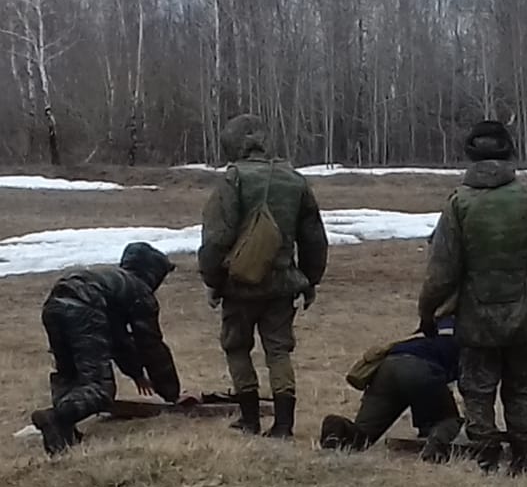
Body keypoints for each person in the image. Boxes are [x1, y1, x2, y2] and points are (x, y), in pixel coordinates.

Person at [418, 120, 527, 476]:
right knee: (522, 386)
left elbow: (441, 272)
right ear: (509, 152)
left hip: (475, 319)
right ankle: (523, 454)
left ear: (470, 155)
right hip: (523, 315)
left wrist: (427, 312)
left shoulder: (458, 204)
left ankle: (486, 453)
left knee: (477, 388)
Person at [198, 113, 329, 439]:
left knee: (237, 348)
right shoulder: (295, 180)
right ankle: (284, 424)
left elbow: (216, 238)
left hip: (239, 285)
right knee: (279, 351)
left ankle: (250, 420)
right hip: (282, 284)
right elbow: (313, 237)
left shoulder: (233, 180)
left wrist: (213, 281)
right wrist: (310, 280)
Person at [30, 242, 181, 455]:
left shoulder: (114, 279)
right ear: (152, 272)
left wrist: (136, 373)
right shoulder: (139, 291)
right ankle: (58, 416)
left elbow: (119, 340)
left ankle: (63, 432)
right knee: (100, 389)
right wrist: (171, 393)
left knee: (70, 373)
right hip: (84, 308)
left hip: (53, 306)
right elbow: (151, 345)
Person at [320, 318, 463, 460]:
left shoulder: (427, 340)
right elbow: (470, 388)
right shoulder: (468, 350)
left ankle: (335, 429)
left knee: (363, 436)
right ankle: (434, 453)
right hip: (419, 369)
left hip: (386, 368)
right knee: (449, 421)